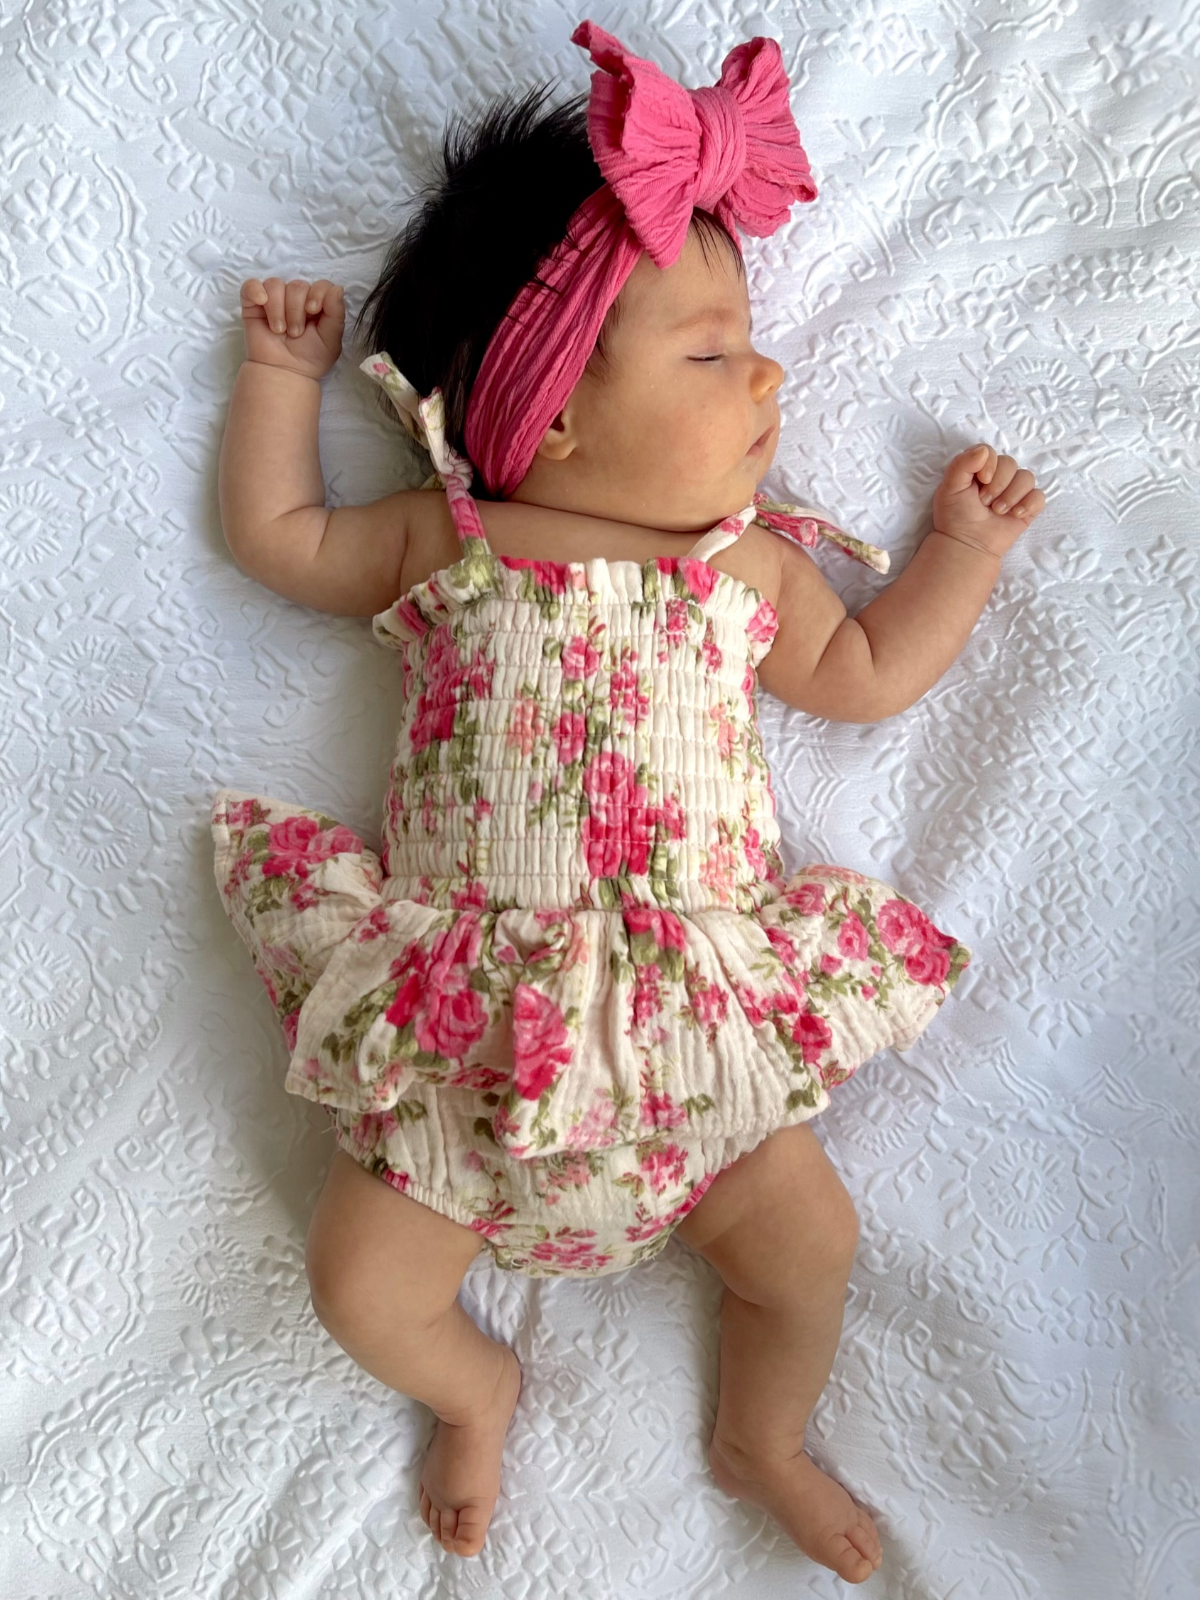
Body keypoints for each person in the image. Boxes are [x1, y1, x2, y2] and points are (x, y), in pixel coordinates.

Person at [211, 19, 1043, 1583]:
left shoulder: (745, 567)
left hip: (697, 1047)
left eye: (755, 341)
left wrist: (961, 561)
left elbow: (862, 674)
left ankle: (761, 1436)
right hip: (470, 1061)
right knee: (361, 1288)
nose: (769, 375)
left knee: (807, 1250)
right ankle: (475, 1386)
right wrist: (279, 374)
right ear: (557, 414)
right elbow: (280, 537)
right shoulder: (449, 541)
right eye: (713, 351)